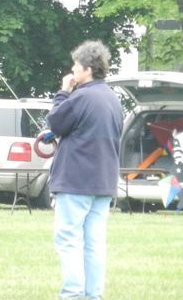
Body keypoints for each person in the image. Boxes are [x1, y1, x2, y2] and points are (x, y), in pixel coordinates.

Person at [46, 40, 122, 300]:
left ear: (88, 69)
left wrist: (63, 91)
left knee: (68, 240)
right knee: (94, 244)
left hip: (76, 181)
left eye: (76, 66)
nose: (72, 70)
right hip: (103, 182)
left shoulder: (80, 96)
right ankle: (92, 295)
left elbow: (56, 120)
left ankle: (72, 294)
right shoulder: (113, 99)